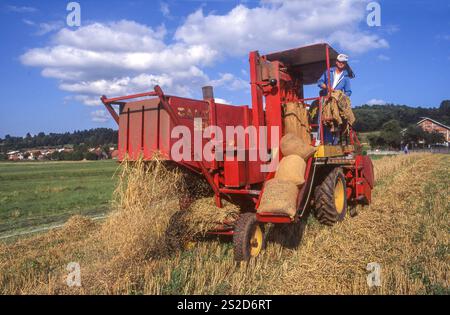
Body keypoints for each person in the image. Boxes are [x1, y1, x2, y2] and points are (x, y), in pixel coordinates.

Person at [316, 54, 354, 145]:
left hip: (337, 101)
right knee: (322, 119)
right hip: (326, 99)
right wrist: (327, 88)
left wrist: (340, 96)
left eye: (343, 62)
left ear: (345, 64)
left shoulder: (346, 77)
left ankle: (335, 140)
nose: (341, 64)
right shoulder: (329, 71)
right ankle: (320, 140)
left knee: (337, 120)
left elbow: (348, 91)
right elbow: (319, 82)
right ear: (336, 62)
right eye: (340, 62)